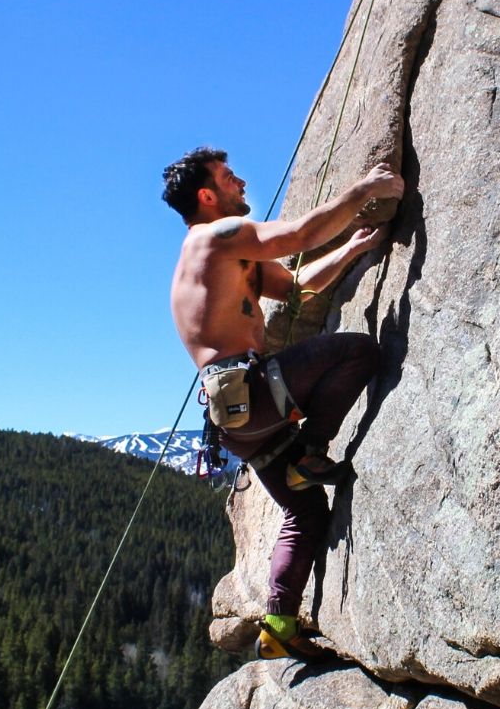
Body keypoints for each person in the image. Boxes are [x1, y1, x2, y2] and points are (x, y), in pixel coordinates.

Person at [165, 146, 404, 660]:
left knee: (306, 509)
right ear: (207, 196)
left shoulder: (227, 256)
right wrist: (365, 190)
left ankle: (279, 625)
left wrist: (352, 249)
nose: (242, 184)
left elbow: (298, 284)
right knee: (359, 353)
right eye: (229, 179)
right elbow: (296, 237)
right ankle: (311, 451)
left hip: (238, 421)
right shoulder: (212, 238)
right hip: (252, 392)